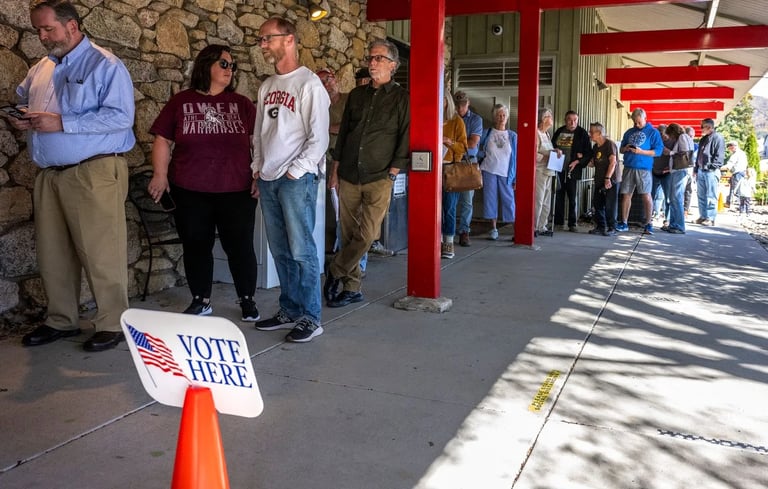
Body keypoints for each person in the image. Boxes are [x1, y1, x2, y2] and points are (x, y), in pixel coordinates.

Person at [12, 0, 135, 352]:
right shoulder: (41, 68)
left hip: (93, 171)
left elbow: (120, 117)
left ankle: (112, 323)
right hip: (50, 174)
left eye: (48, 28)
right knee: (53, 253)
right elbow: (25, 100)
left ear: (72, 26)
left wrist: (62, 122)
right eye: (38, 30)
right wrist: (22, 118)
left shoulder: (105, 64)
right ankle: (61, 320)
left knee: (101, 252)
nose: (43, 36)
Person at [148, 45, 259, 320]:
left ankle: (247, 299)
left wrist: (260, 175)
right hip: (190, 189)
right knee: (196, 244)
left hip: (237, 189)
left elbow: (260, 144)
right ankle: (201, 299)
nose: (229, 70)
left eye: (233, 66)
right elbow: (162, 139)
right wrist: (160, 175)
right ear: (206, 65)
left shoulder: (243, 104)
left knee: (240, 245)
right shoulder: (180, 102)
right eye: (224, 63)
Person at [250, 17, 330, 343]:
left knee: (302, 250)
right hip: (269, 178)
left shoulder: (309, 85)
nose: (263, 45)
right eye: (261, 40)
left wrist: (296, 170)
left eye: (268, 38)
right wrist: (258, 167)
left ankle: (311, 317)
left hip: (296, 180)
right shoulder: (267, 87)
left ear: (289, 40)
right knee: (280, 251)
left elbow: (319, 137)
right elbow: (259, 133)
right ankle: (290, 308)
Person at [324, 39, 409, 307]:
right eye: (370, 58)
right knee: (347, 233)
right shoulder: (356, 96)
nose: (372, 63)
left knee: (368, 234)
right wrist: (335, 171)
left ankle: (335, 270)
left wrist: (393, 173)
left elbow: (405, 137)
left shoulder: (401, 97)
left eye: (378, 59)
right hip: (349, 172)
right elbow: (345, 135)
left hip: (380, 176)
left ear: (392, 65)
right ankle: (352, 287)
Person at [615, 108, 664, 235]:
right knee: (626, 194)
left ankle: (648, 223)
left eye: (639, 122)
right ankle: (624, 222)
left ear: (645, 119)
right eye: (634, 122)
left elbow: (658, 151)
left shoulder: (653, 132)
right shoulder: (629, 132)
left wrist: (641, 151)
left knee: (646, 195)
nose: (637, 125)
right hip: (629, 166)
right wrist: (625, 148)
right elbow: (620, 149)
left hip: (644, 169)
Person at [477, 104, 517, 240]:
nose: (501, 118)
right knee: (490, 200)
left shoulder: (512, 136)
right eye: (499, 115)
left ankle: (515, 228)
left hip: (506, 173)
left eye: (504, 115)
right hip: (489, 170)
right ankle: (493, 228)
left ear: (507, 117)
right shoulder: (486, 133)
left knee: (509, 200)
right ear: (494, 117)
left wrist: (516, 178)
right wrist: (482, 155)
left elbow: (516, 157)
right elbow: (475, 148)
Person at [553, 110, 593, 232]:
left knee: (572, 196)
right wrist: (555, 149)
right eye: (570, 119)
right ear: (565, 120)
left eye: (575, 120)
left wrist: (578, 161)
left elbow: (589, 152)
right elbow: (552, 146)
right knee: (558, 195)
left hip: (573, 169)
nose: (572, 122)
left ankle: (572, 223)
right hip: (558, 168)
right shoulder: (559, 131)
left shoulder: (582, 133)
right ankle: (558, 222)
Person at [440, 93, 468, 259]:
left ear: (447, 102)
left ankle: (448, 242)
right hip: (431, 168)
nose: (440, 102)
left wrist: (448, 142)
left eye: (443, 99)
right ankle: (434, 241)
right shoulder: (431, 118)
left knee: (449, 207)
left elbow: (463, 148)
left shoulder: (457, 121)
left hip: (450, 168)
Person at [454, 91, 483, 246]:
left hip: (467, 162)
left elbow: (473, 143)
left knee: (467, 201)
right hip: (451, 161)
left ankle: (464, 231)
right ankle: (448, 231)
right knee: (449, 201)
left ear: (468, 103)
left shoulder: (475, 119)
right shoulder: (449, 118)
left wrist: (452, 142)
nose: (460, 109)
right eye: (458, 105)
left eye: (463, 105)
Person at [586, 122, 618, 236]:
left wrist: (607, 178)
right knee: (597, 203)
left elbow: (613, 162)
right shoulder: (595, 147)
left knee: (610, 205)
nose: (590, 134)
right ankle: (601, 226)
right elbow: (594, 163)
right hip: (599, 179)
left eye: (591, 132)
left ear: (599, 133)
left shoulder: (609, 145)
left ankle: (612, 227)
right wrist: (586, 161)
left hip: (610, 179)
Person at [663, 123, 695, 234]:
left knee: (676, 198)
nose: (670, 138)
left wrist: (670, 152)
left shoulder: (682, 137)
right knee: (674, 198)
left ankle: (679, 226)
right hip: (680, 171)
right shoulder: (685, 137)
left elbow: (685, 153)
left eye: (670, 135)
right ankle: (674, 224)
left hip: (680, 171)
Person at [694, 118, 725, 227]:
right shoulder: (703, 139)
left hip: (711, 171)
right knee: (701, 195)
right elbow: (699, 155)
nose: (701, 129)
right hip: (701, 170)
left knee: (711, 195)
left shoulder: (718, 138)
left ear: (709, 127)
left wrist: (712, 167)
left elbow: (719, 156)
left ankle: (710, 218)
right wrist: (696, 169)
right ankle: (703, 216)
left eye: (702, 126)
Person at [535, 107, 559, 237]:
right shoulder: (536, 133)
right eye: (549, 116)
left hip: (549, 170)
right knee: (538, 200)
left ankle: (542, 225)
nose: (551, 119)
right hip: (539, 170)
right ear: (543, 119)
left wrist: (555, 152)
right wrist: (548, 156)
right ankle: (533, 227)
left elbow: (548, 150)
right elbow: (534, 153)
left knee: (546, 201)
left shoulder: (547, 134)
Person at [650, 124, 673, 228]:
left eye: (663, 134)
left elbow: (677, 156)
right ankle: (648, 218)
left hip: (667, 173)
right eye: (659, 134)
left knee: (668, 198)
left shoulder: (672, 143)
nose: (661, 136)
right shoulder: (654, 142)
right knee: (650, 196)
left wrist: (670, 154)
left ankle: (667, 220)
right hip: (654, 172)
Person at [721, 141, 747, 208]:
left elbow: (729, 165)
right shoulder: (742, 153)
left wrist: (718, 168)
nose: (729, 150)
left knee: (736, 189)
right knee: (736, 188)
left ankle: (739, 206)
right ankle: (729, 203)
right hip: (742, 172)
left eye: (729, 148)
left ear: (733, 147)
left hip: (737, 173)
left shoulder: (735, 154)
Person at [683, 126, 698, 218]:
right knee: (680, 191)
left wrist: (695, 171)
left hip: (691, 172)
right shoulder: (681, 144)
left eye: (693, 136)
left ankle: (685, 210)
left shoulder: (696, 146)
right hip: (682, 170)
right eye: (689, 136)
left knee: (688, 191)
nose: (691, 138)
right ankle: (681, 210)